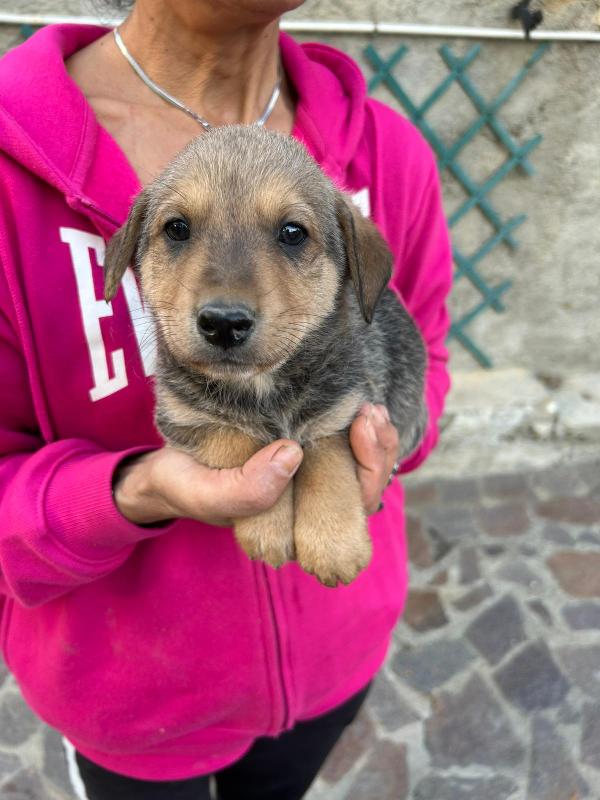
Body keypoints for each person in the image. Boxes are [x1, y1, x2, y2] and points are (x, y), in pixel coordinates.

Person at [0, 1, 452, 798]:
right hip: (131, 703)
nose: (229, 301)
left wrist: (383, 437)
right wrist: (133, 491)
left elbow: (427, 359)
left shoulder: (392, 153)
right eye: (176, 230)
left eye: (292, 237)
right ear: (132, 250)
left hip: (336, 666)